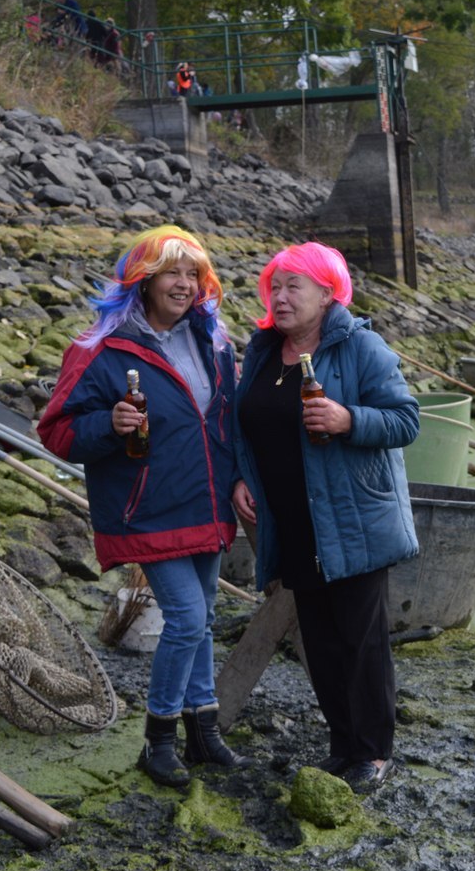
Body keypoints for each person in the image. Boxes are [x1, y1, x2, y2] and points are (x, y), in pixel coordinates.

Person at [37, 225, 247, 790]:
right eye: (171, 273)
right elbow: (55, 433)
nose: (183, 285)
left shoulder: (214, 343)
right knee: (187, 618)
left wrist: (240, 480)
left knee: (203, 619)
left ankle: (203, 731)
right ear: (143, 280)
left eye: (192, 274)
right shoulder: (98, 351)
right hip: (146, 509)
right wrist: (108, 424)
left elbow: (227, 425)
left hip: (206, 501)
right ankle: (158, 741)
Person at [230, 242, 419, 795]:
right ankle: (343, 746)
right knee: (319, 638)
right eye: (275, 287)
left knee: (361, 639)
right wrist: (242, 478)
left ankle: (375, 753)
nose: (280, 298)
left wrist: (346, 418)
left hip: (352, 517)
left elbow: (406, 421)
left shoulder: (360, 347)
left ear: (327, 293)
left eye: (294, 287)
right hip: (291, 520)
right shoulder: (264, 350)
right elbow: (249, 426)